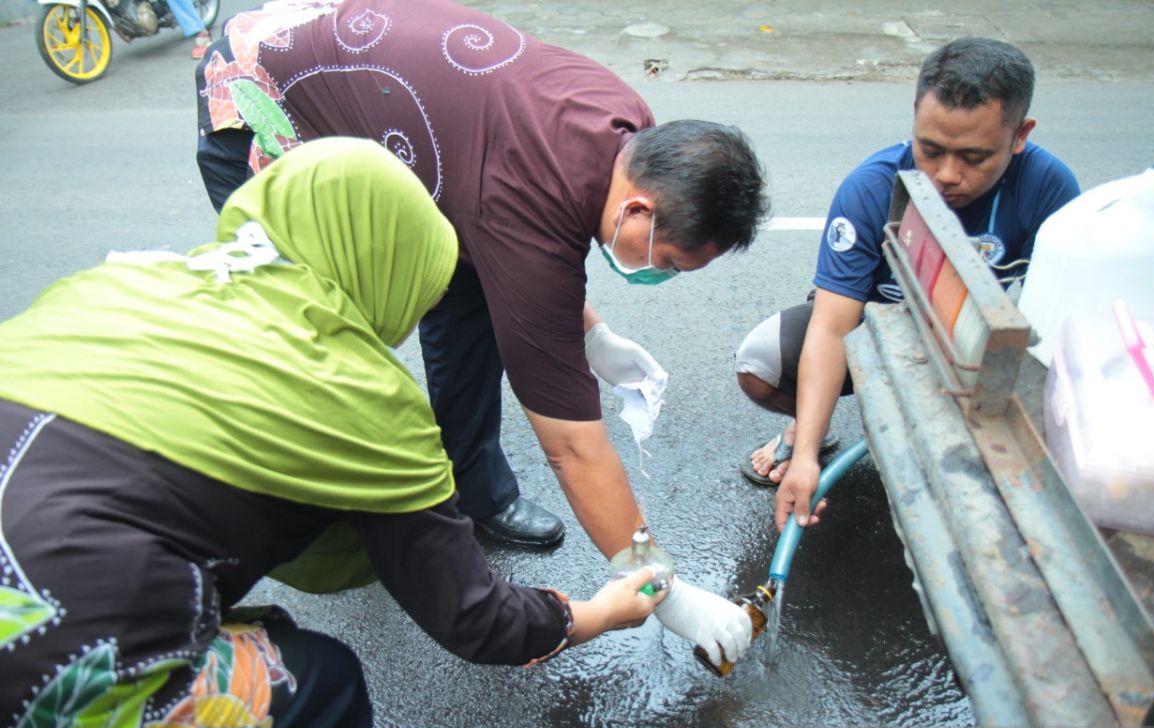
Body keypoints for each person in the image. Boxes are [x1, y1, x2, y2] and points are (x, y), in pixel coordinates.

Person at [0, 138, 664, 728]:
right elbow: (475, 616)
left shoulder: (127, 280)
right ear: (390, 264)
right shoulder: (359, 394)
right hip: (35, 675)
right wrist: (599, 613)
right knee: (314, 683)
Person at [194, 0, 769, 665]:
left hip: (420, 135)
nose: (662, 275)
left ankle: (476, 493)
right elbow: (574, 450)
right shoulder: (526, 208)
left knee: (465, 302)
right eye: (667, 261)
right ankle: (350, 508)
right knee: (329, 334)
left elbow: (528, 269)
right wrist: (665, 590)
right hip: (266, 91)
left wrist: (593, 337)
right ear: (638, 206)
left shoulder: (627, 128)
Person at [733, 37, 1081, 532]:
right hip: (877, 337)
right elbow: (832, 328)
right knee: (760, 364)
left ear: (1020, 135)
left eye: (974, 158)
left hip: (976, 354)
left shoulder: (1050, 188)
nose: (946, 175)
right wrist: (807, 455)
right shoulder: (871, 187)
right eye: (930, 149)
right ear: (916, 113)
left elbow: (1063, 326)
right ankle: (810, 425)